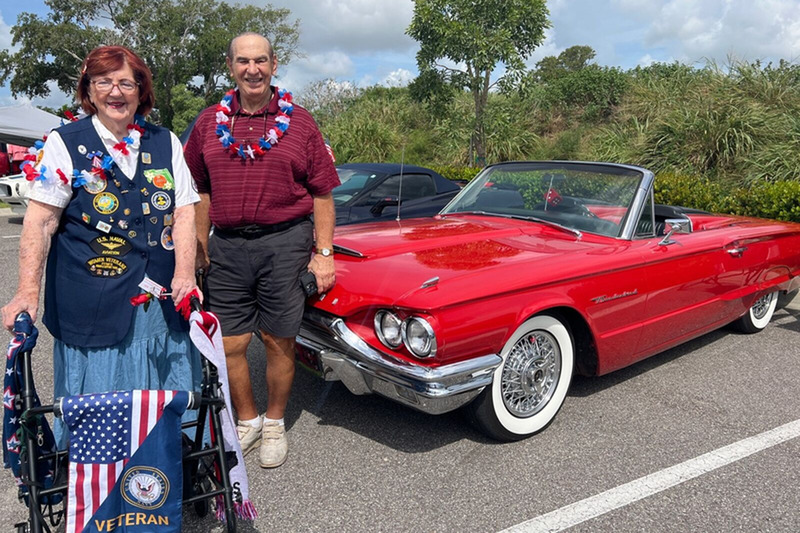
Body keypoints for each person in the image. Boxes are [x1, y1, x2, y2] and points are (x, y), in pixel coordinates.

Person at [1, 45, 202, 447]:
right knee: (101, 410)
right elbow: (41, 222)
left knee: (167, 400)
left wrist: (185, 272)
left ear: (141, 90)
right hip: (92, 303)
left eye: (127, 82)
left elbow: (183, 213)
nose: (116, 91)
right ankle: (98, 487)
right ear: (88, 92)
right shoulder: (65, 142)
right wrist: (26, 291)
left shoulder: (165, 142)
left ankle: (162, 478)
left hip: (162, 302)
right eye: (104, 82)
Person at [184, 32, 339, 469]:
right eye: (243, 61)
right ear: (230, 66)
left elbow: (323, 194)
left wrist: (323, 253)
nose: (252, 69)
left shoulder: (301, 122)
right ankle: (247, 420)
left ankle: (274, 422)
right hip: (227, 247)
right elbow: (198, 191)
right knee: (231, 342)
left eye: (261, 60)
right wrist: (198, 247)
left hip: (285, 243)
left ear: (274, 64)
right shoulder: (207, 123)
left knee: (277, 338)